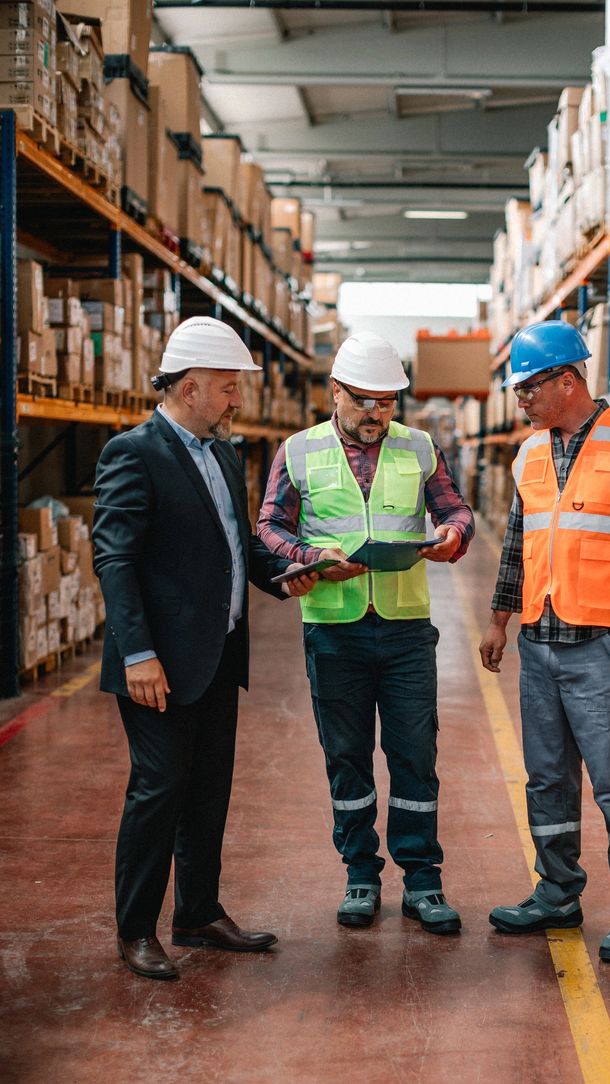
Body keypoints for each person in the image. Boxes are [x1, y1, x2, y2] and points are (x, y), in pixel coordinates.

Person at [93, 316, 320, 981]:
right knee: (158, 790)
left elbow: (236, 548)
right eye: (227, 388)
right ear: (190, 387)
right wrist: (137, 653)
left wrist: (288, 574)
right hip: (158, 663)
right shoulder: (133, 453)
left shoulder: (223, 454)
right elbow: (115, 560)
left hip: (219, 654)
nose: (236, 400)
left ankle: (197, 912)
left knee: (208, 790)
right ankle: (136, 930)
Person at [479, 321, 610, 964]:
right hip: (540, 644)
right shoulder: (530, 453)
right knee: (545, 779)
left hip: (605, 645)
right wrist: (498, 619)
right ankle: (557, 893)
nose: (520, 400)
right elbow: (519, 542)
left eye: (528, 388)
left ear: (565, 380)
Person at [257, 331, 474, 934]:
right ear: (335, 392)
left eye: (386, 402)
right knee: (347, 757)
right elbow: (269, 526)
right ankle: (360, 874)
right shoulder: (298, 451)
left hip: (406, 628)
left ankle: (423, 881)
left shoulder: (420, 446)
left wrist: (454, 536)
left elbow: (454, 510)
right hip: (334, 628)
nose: (376, 413)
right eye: (363, 401)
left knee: (414, 755)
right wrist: (309, 553)